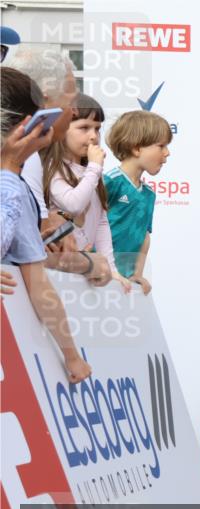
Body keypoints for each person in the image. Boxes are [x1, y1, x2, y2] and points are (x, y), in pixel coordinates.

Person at [1, 66, 90, 383]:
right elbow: (38, 285)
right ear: (24, 128)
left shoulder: (17, 186)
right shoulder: (13, 184)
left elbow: (39, 284)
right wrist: (72, 356)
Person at [43, 93, 130, 292]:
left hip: (84, 268)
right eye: (84, 128)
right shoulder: (53, 167)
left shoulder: (93, 172)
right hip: (58, 270)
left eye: (97, 129)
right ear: (63, 128)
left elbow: (101, 221)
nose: (93, 136)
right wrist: (93, 168)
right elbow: (73, 204)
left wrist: (110, 267)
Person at [6, 46, 78, 250]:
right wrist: (92, 265)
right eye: (71, 101)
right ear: (44, 101)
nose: (74, 112)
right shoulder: (25, 157)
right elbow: (35, 252)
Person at [103, 110, 172, 294]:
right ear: (136, 148)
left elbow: (144, 237)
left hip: (124, 282)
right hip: (98, 276)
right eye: (161, 146)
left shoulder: (149, 194)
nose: (167, 153)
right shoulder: (110, 182)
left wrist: (137, 274)